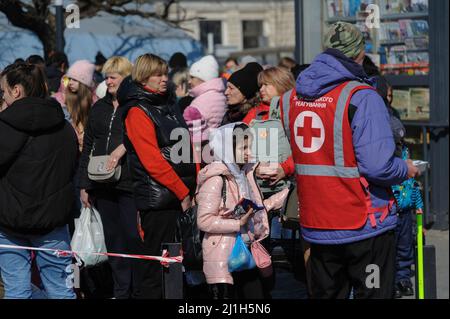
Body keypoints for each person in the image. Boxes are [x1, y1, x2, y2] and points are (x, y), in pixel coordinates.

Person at [280, 21, 419, 299]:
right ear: (359, 54)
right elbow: (378, 166)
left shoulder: (290, 99)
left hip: (317, 225)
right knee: (373, 293)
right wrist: (407, 168)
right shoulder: (363, 97)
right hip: (364, 225)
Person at [119, 53, 197, 299]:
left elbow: (186, 146)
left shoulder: (170, 104)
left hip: (181, 195)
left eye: (165, 73)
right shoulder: (137, 111)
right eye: (158, 75)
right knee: (157, 270)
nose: (165, 79)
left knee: (175, 269)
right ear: (143, 77)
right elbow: (151, 160)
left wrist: (196, 181)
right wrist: (182, 191)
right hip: (159, 200)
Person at [0, 62, 78, 299]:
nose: (2, 97)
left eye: (2, 91)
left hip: (10, 220)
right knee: (61, 291)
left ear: (16, 91)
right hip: (50, 220)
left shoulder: (3, 126)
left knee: (17, 291)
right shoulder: (64, 128)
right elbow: (71, 167)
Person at [196, 123, 289, 299]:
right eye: (243, 147)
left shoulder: (245, 175)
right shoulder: (216, 180)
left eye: (250, 146)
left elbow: (255, 208)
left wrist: (285, 195)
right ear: (227, 149)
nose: (249, 152)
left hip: (247, 252)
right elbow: (204, 221)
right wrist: (237, 223)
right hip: (225, 257)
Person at [78, 56, 142, 299]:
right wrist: (84, 185)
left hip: (129, 183)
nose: (109, 80)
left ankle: (137, 291)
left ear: (126, 77)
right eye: (106, 76)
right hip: (101, 183)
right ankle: (121, 291)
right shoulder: (99, 108)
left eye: (113, 75)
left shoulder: (134, 106)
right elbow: (89, 146)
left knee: (133, 237)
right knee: (113, 241)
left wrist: (123, 147)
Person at [183, 55, 227, 166]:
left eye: (192, 77)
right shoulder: (219, 95)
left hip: (202, 153)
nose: (189, 81)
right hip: (217, 150)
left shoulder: (201, 102)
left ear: (202, 78)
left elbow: (192, 135)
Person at [63, 60, 97, 152]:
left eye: (74, 79)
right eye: (69, 79)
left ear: (84, 83)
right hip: (69, 151)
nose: (70, 82)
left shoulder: (95, 105)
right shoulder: (63, 103)